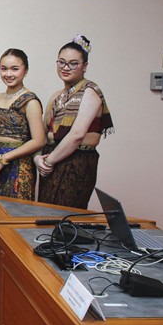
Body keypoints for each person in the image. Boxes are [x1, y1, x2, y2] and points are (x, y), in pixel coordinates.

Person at [35, 35, 113, 209]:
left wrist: (48, 162)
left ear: (84, 66)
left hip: (77, 162)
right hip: (51, 158)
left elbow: (77, 135)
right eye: (61, 62)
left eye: (73, 63)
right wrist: (37, 158)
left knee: (65, 216)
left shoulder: (90, 92)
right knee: (45, 213)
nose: (66, 68)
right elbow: (44, 134)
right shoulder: (57, 96)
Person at [0, 49, 45, 200]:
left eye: (14, 69)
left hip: (19, 164)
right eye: (4, 69)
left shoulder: (30, 101)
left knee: (16, 209)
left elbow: (39, 140)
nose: (8, 74)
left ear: (25, 70)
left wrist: (6, 158)